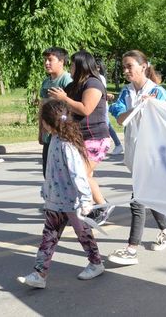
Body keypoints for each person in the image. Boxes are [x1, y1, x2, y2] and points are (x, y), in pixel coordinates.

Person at [17, 100, 103, 289]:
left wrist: (86, 198)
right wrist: (46, 189)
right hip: (55, 201)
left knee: (83, 234)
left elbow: (77, 174)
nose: (42, 125)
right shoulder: (55, 140)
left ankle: (96, 263)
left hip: (72, 202)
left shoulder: (67, 145)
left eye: (42, 122)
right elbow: (52, 171)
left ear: (49, 123)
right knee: (49, 237)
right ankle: (39, 274)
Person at [107, 50, 166, 265]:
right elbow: (120, 118)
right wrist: (138, 106)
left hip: (153, 155)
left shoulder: (157, 92)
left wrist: (152, 106)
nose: (126, 70)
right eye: (124, 67)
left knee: (138, 199)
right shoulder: (125, 93)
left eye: (130, 66)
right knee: (149, 195)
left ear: (144, 66)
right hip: (134, 152)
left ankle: (131, 249)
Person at [48, 50, 114, 225]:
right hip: (78, 138)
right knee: (84, 174)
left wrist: (64, 98)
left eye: (72, 64)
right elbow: (64, 107)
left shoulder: (93, 84)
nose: (70, 67)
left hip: (96, 138)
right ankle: (91, 207)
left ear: (81, 65)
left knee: (81, 175)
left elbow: (85, 109)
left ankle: (101, 205)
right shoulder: (75, 85)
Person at [39, 47, 73, 177]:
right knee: (47, 171)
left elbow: (71, 107)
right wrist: (41, 130)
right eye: (45, 60)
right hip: (48, 132)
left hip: (62, 133)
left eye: (50, 60)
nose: (46, 63)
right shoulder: (46, 82)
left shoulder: (67, 80)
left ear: (61, 61)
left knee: (62, 172)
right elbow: (43, 106)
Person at [96, 59, 123, 155]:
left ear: (99, 68)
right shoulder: (95, 77)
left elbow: (102, 92)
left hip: (102, 105)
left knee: (106, 125)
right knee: (106, 125)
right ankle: (117, 144)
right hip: (98, 105)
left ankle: (117, 144)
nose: (95, 68)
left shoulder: (100, 78)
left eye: (97, 66)